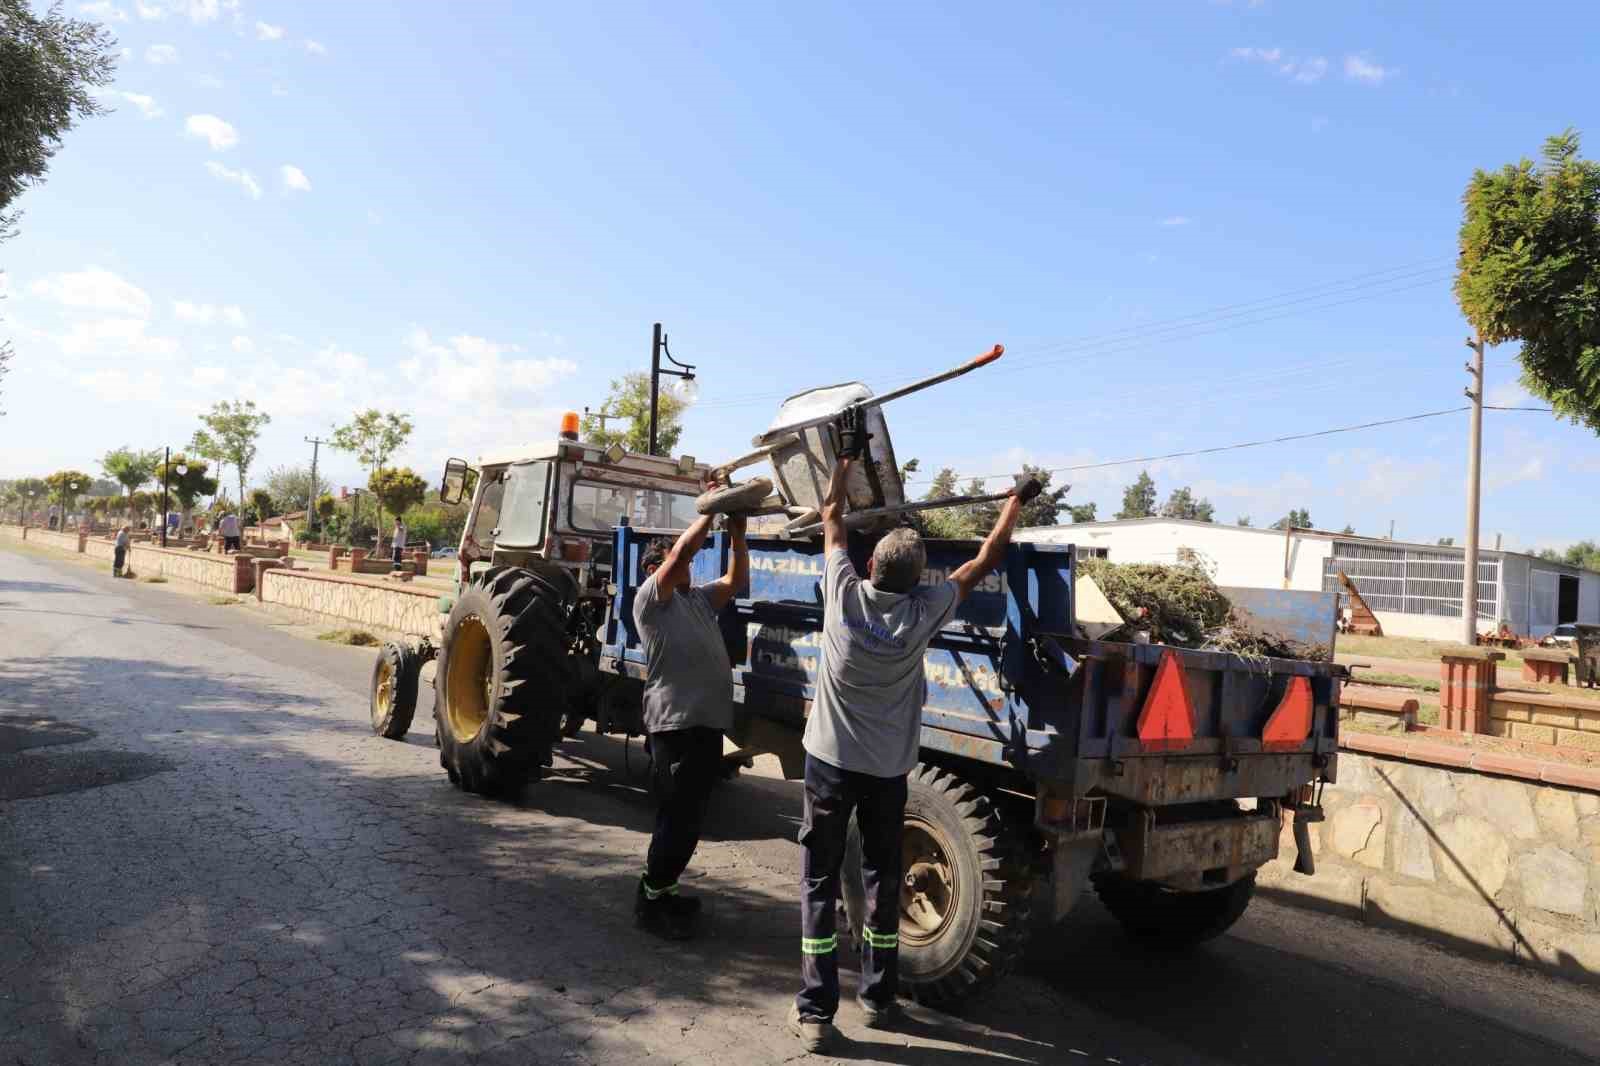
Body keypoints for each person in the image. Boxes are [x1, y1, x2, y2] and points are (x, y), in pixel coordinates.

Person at [787, 406, 1038, 1053]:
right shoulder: (924, 613)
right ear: (914, 581)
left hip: (828, 764)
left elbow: (832, 519)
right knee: (880, 880)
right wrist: (1014, 502)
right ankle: (878, 998)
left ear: (871, 567)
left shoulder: (841, 594)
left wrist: (842, 459)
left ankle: (817, 1013)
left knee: (818, 881)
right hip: (885, 773)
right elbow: (986, 558)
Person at [630, 507, 749, 939]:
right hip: (675, 726)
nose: (686, 568)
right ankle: (649, 899)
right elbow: (681, 553)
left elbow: (735, 581)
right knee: (677, 817)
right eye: (668, 561)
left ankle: (664, 890)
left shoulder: (697, 600)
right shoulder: (650, 601)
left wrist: (737, 533)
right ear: (651, 569)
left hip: (705, 725)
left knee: (691, 817)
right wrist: (715, 509)